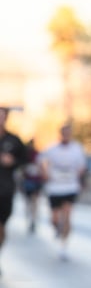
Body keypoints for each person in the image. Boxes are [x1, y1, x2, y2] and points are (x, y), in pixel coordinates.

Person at [39, 123, 87, 261]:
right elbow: (41, 161)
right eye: (64, 133)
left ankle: (63, 246)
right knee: (55, 218)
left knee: (67, 214)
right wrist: (45, 173)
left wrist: (78, 175)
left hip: (70, 186)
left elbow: (82, 166)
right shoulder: (52, 148)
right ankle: (57, 228)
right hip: (55, 187)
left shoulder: (77, 148)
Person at [0, 108, 27, 275]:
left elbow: (25, 158)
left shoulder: (14, 140)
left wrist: (13, 161)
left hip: (5, 190)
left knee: (1, 228)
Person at [21, 139, 44, 235]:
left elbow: (41, 166)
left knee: (34, 201)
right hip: (27, 181)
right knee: (28, 202)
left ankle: (33, 219)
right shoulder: (25, 155)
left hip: (35, 181)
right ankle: (30, 217)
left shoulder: (37, 154)